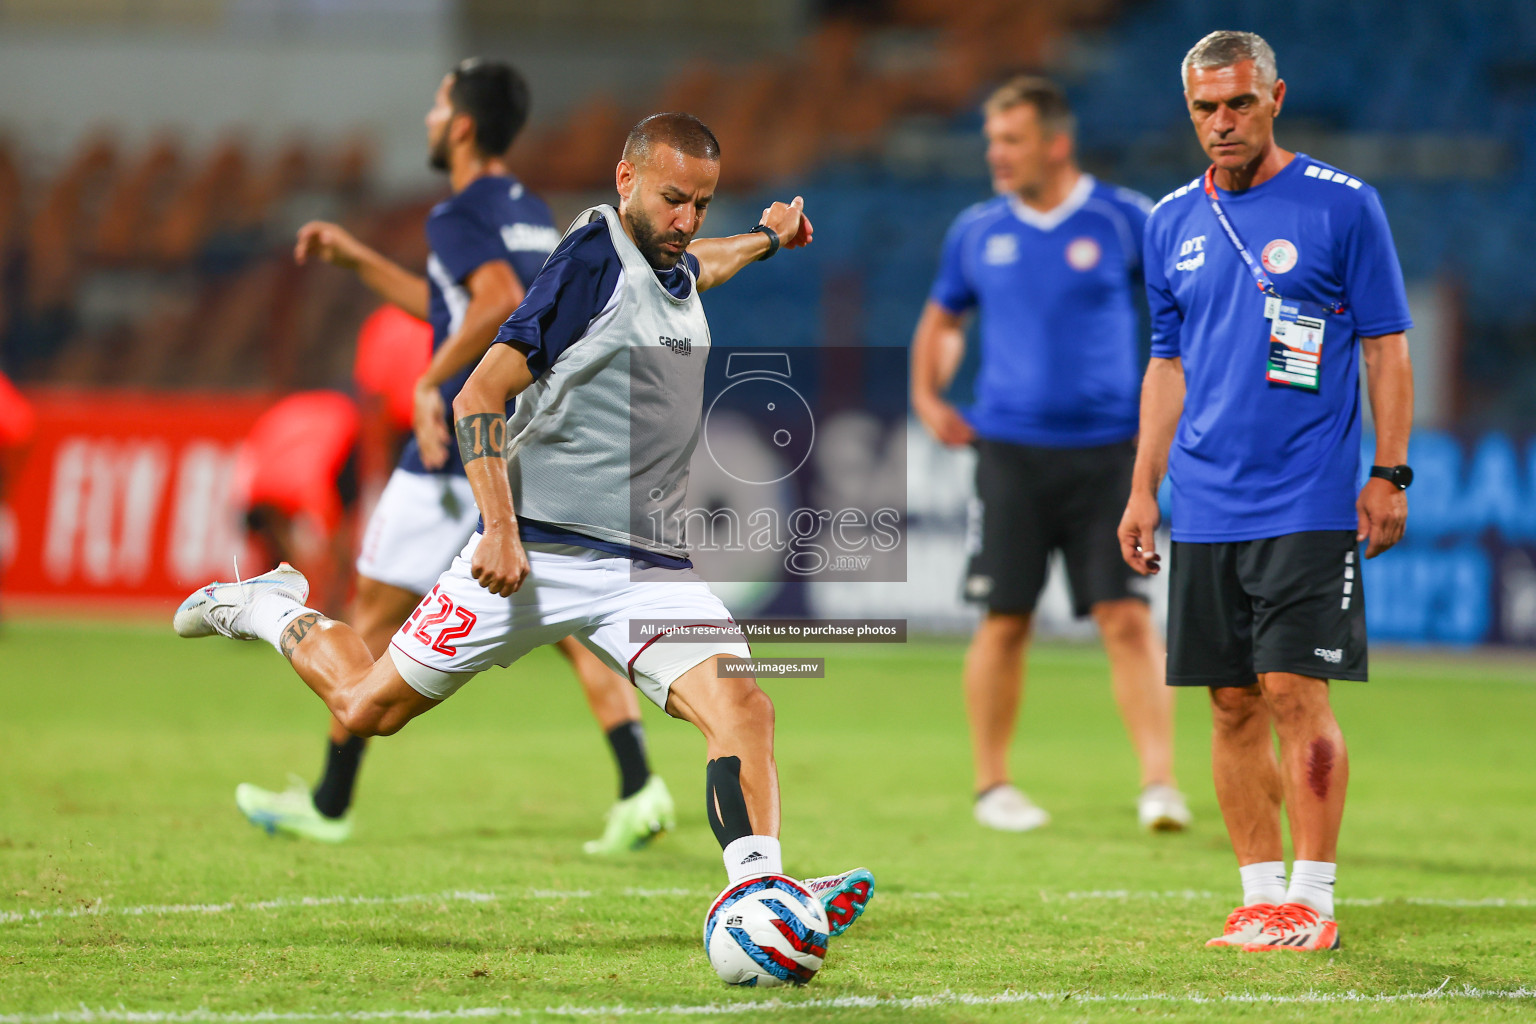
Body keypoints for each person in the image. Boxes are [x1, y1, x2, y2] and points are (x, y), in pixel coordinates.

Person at [175, 112, 875, 945]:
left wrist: (763, 237)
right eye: (673, 199)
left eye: (701, 204)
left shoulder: (673, 265)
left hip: (644, 565)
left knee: (743, 707)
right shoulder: (590, 260)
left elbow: (703, 267)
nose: (687, 221)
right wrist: (499, 530)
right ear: (625, 182)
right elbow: (478, 394)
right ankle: (267, 604)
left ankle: (761, 890)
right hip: (531, 550)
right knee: (367, 709)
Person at [236, 58, 676, 855]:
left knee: (372, 620)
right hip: (528, 443)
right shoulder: (536, 215)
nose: (433, 117)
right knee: (577, 620)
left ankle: (331, 801)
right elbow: (467, 305)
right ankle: (639, 783)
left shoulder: (458, 212)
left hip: (452, 450)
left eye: (440, 105)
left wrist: (431, 384)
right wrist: (361, 262)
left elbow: (496, 304)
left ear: (463, 125)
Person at [1119, 31, 1414, 951]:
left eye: (1239, 103)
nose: (1222, 122)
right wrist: (1143, 489)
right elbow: (1165, 365)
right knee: (1230, 701)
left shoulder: (1343, 206)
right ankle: (1259, 896)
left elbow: (1385, 345)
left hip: (1310, 494)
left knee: (1293, 689)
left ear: (1275, 96)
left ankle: (1314, 901)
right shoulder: (1168, 220)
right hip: (1204, 501)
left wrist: (1389, 470)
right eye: (1206, 107)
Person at [911, 76, 1190, 834]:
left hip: (1109, 456)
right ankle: (992, 785)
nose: (996, 155)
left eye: (1011, 140)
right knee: (1003, 617)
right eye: (992, 141)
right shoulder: (976, 230)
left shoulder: (1127, 218)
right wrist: (931, 397)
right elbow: (943, 319)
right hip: (1009, 454)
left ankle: (1160, 784)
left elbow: (1179, 323)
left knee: (1126, 617)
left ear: (1056, 142)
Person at [233, 390, 362, 616]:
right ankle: (268, 603)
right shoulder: (255, 487)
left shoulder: (309, 489)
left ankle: (334, 608)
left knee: (341, 540)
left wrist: (328, 590)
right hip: (302, 425)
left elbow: (332, 541)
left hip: (341, 426)